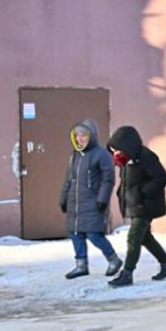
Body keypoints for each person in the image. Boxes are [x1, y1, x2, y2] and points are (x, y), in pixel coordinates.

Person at [105, 125, 166, 287]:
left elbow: (160, 177)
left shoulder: (146, 157)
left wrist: (144, 192)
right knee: (145, 238)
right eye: (113, 150)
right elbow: (127, 183)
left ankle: (127, 273)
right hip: (135, 204)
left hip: (146, 205)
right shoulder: (125, 161)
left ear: (127, 145)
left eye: (117, 149)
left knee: (134, 237)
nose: (115, 153)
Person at [59, 119, 123, 279]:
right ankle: (81, 266)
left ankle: (114, 260)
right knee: (75, 234)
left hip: (93, 202)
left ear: (91, 136)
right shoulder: (74, 155)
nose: (80, 138)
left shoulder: (101, 154)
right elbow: (69, 179)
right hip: (75, 203)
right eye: (77, 135)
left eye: (84, 135)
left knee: (93, 234)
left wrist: (102, 199)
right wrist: (63, 197)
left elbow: (108, 179)